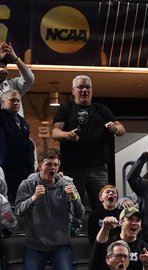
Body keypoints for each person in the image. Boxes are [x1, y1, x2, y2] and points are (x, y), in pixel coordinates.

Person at [14, 150, 84, 270]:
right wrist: (33, 198)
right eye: (48, 164)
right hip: (35, 245)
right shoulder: (28, 184)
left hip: (60, 246)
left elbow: (80, 214)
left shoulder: (67, 185)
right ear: (40, 166)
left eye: (55, 165)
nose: (52, 168)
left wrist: (75, 197)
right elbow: (19, 211)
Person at [51, 75, 126, 212]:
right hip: (73, 168)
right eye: (80, 87)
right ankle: (72, 233)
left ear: (91, 90)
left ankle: (102, 231)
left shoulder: (101, 109)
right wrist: (67, 135)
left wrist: (114, 128)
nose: (84, 90)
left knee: (102, 207)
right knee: (71, 207)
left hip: (97, 169)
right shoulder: (66, 108)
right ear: (73, 90)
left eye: (87, 87)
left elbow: (121, 129)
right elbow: (55, 132)